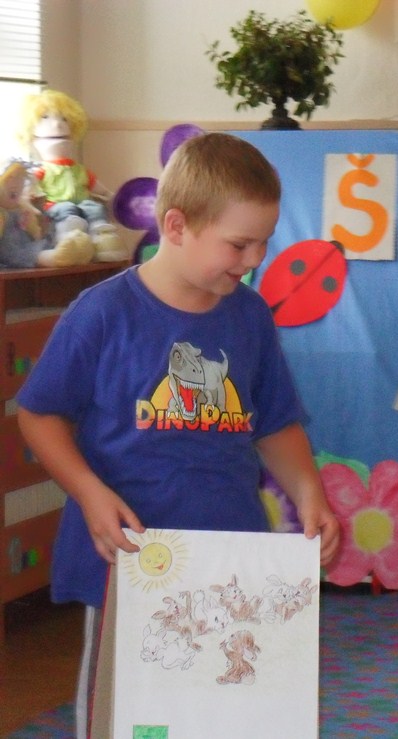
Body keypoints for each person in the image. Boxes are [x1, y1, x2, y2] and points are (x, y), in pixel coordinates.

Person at [16, 132, 340, 738]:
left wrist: (309, 493)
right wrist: (89, 492)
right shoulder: (101, 313)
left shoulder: (249, 315)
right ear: (176, 225)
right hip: (129, 564)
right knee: (124, 716)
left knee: (223, 713)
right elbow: (40, 414)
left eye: (264, 242)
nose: (254, 259)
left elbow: (274, 422)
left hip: (230, 559)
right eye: (239, 244)